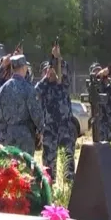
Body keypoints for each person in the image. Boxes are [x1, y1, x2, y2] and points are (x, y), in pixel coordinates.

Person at [35, 45, 75, 182]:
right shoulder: (43, 86)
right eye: (47, 70)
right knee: (49, 165)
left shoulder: (62, 84)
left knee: (68, 162)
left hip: (65, 127)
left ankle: (70, 189)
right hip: (49, 128)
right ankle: (49, 192)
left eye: (52, 69)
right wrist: (46, 78)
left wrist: (59, 59)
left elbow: (67, 74)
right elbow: (34, 94)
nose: (51, 72)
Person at [0, 55, 44, 156]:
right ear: (24, 68)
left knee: (12, 167)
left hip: (8, 133)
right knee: (25, 167)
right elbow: (35, 113)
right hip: (25, 134)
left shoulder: (3, 88)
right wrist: (41, 130)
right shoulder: (28, 88)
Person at [89, 60, 111, 143]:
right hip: (101, 123)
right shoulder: (92, 85)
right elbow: (95, 86)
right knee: (102, 148)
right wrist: (108, 69)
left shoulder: (110, 82)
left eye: (99, 70)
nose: (99, 73)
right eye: (95, 71)